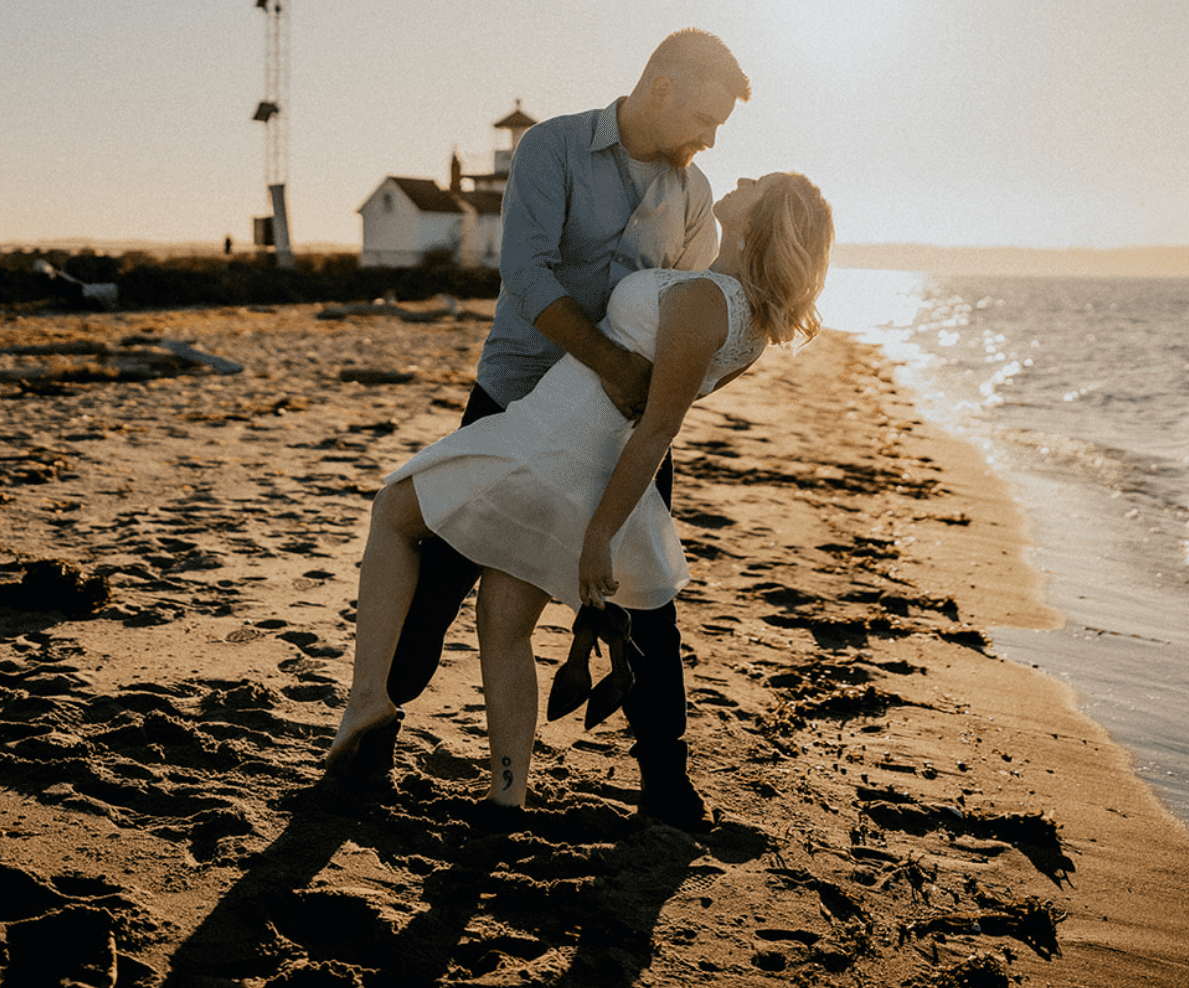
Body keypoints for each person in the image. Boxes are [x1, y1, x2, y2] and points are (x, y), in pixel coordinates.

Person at [329, 28, 749, 829]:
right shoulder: (553, 147)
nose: (711, 137)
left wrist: (651, 395)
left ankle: (666, 782)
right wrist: (610, 363)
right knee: (446, 569)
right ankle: (377, 736)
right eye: (705, 114)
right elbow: (524, 273)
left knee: (647, 591)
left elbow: (686, 310)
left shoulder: (693, 194)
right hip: (518, 397)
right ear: (658, 88)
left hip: (620, 420)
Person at [328, 171, 834, 812]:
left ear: (766, 221)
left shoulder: (708, 299)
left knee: (395, 508)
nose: (740, 179)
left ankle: (371, 694)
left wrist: (601, 537)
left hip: (543, 447)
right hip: (575, 469)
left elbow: (655, 431)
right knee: (503, 630)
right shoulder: (749, 324)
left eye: (756, 185)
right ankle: (505, 801)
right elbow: (653, 415)